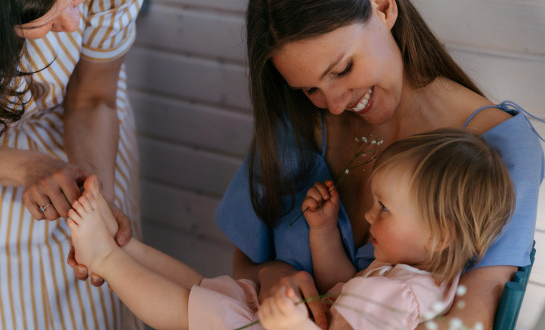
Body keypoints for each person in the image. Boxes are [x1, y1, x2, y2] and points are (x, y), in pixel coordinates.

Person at [216, 0, 544, 328]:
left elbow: (473, 320)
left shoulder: (503, 149)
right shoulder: (294, 125)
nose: (334, 105)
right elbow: (246, 259)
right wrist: (271, 274)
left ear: (384, 7)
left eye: (343, 69)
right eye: (310, 89)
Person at [67, 129, 515, 330]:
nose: (368, 217)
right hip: (282, 314)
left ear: (439, 234)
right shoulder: (407, 277)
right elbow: (340, 287)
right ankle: (123, 247)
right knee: (203, 288)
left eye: (384, 209)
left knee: (186, 309)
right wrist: (322, 232)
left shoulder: (405, 296)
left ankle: (105, 258)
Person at [0, 0, 142, 329]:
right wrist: (28, 167)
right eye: (54, 14)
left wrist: (95, 192)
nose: (74, 24)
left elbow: (94, 97)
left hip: (90, 140)